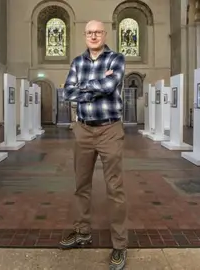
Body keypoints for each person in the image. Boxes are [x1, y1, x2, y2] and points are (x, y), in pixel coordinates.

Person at [59, 20, 128, 270]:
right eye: (89, 32)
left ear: (105, 34)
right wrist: (96, 88)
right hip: (84, 130)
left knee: (115, 188)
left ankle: (119, 245)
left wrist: (83, 88)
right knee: (81, 185)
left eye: (98, 32)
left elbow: (111, 87)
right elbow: (67, 92)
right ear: (85, 35)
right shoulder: (78, 62)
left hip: (110, 128)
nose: (94, 36)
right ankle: (82, 232)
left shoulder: (116, 59)